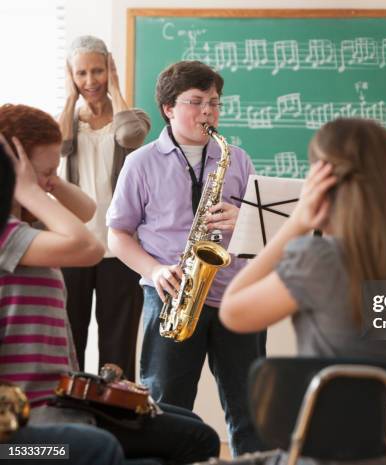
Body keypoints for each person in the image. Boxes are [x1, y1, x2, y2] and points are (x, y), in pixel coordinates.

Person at [0, 110, 220, 464]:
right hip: (23, 435)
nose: (47, 183)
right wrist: (25, 185)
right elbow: (88, 248)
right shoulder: (8, 236)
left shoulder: (25, 225)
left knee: (190, 427)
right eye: (43, 174)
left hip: (60, 401)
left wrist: (45, 182)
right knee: (192, 439)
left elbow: (87, 210)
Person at [219, 118, 386, 465]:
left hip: (321, 454)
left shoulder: (319, 260)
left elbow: (232, 311)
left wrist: (297, 221)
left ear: (322, 182)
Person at [107, 60, 265, 455]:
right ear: (169, 108)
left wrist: (243, 221)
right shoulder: (140, 162)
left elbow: (263, 235)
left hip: (234, 296)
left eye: (214, 102)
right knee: (165, 407)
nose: (208, 112)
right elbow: (118, 235)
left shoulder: (237, 159)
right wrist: (155, 270)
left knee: (250, 408)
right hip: (170, 293)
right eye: (197, 102)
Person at [58, 35, 151, 380]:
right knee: (70, 339)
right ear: (71, 75)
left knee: (118, 345)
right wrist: (70, 97)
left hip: (121, 248)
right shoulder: (65, 121)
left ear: (109, 69)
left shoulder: (131, 117)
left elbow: (130, 137)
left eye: (97, 71)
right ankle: (72, 419)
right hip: (75, 247)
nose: (89, 81)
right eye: (80, 73)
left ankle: (115, 423)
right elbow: (60, 147)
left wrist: (116, 88)